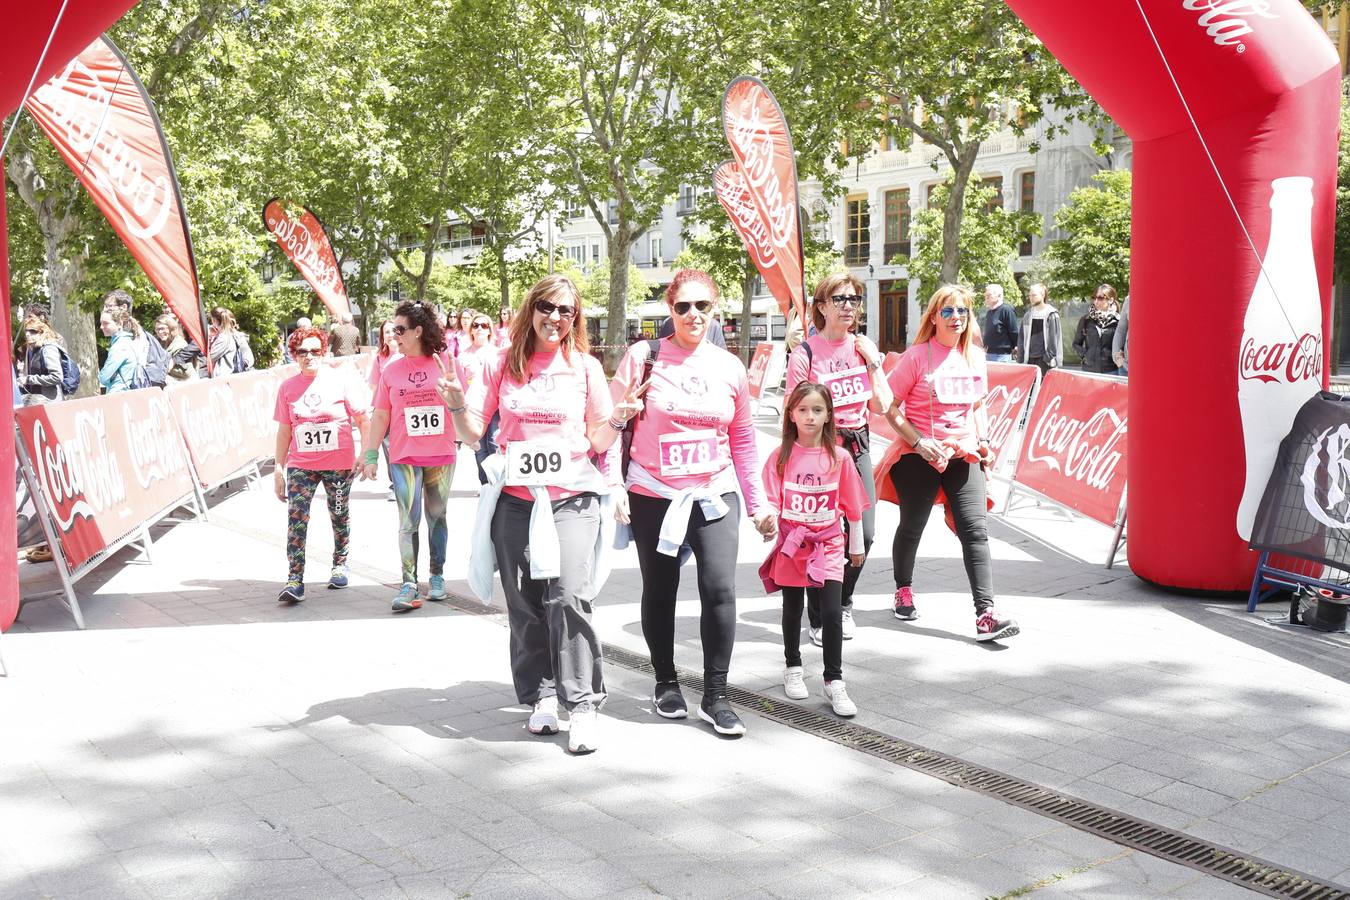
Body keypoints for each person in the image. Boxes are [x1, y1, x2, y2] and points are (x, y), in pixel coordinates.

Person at [438, 274, 635, 755]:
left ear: (576, 318)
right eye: (547, 307)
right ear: (531, 309)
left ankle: (583, 703)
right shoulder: (502, 364)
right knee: (523, 604)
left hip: (572, 498)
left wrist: (617, 420)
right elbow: (471, 432)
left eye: (567, 311)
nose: (556, 318)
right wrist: (458, 404)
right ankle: (542, 695)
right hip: (516, 499)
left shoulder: (585, 367)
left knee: (567, 597)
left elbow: (598, 441)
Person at [610, 268, 775, 737]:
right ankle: (665, 682)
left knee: (720, 589)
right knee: (659, 591)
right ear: (670, 310)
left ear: (715, 309)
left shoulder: (729, 367)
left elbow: (742, 439)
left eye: (702, 306)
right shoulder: (645, 357)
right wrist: (615, 486)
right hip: (654, 492)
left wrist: (759, 502)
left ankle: (716, 695)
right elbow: (614, 427)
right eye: (683, 306)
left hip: (714, 493)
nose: (693, 314)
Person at [880, 284, 1019, 642]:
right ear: (933, 316)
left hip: (963, 453)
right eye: (948, 311)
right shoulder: (916, 357)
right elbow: (888, 406)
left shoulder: (973, 357)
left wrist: (984, 441)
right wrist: (919, 441)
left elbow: (977, 406)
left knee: (975, 529)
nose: (956, 317)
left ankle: (985, 613)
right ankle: (903, 589)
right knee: (912, 526)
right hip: (919, 454)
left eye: (962, 311)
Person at [784, 273, 892, 647]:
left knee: (865, 533)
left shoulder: (862, 348)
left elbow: (882, 405)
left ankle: (842, 602)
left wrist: (874, 363)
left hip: (857, 446)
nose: (849, 306)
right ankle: (819, 615)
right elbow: (792, 410)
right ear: (822, 306)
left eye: (855, 300)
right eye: (840, 299)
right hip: (820, 450)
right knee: (822, 536)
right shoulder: (805, 355)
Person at [760, 382, 869, 717]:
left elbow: (853, 505)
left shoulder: (840, 457)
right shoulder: (780, 457)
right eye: (803, 409)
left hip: (830, 544)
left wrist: (856, 542)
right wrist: (768, 523)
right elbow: (769, 501)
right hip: (793, 546)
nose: (809, 416)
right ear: (791, 414)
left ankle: (834, 679)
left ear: (828, 416)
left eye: (817, 410)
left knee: (832, 613)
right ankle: (793, 665)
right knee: (792, 608)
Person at [361, 301, 455, 612]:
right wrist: (371, 454)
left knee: (437, 517)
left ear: (418, 331)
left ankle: (437, 576)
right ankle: (409, 584)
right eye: (393, 330)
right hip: (404, 457)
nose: (394, 335)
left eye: (400, 330)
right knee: (408, 521)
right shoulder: (391, 369)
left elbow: (462, 403)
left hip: (440, 455)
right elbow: (380, 415)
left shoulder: (444, 364)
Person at [273, 327, 370, 603]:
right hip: (301, 465)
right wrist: (279, 469)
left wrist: (366, 453)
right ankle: (295, 578)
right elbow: (284, 431)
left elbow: (363, 419)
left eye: (315, 351)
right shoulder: (287, 388)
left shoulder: (341, 381)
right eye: (302, 352)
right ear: (294, 355)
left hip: (338, 464)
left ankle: (340, 563)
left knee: (338, 512)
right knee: (296, 517)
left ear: (324, 352)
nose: (309, 356)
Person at [457, 312, 500, 484]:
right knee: (480, 448)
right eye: (476, 325)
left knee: (495, 444)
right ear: (471, 331)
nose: (480, 328)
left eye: (484, 325)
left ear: (490, 330)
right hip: (473, 409)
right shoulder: (463, 356)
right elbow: (460, 385)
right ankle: (485, 484)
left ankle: (499, 483)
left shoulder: (499, 354)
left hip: (495, 408)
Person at [103, 289, 168, 388]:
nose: (105, 310)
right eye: (105, 306)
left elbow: (135, 363)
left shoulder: (130, 332)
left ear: (124, 307)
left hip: (140, 385)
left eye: (109, 306)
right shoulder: (128, 330)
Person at [1073, 284, 1121, 374]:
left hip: (1111, 370)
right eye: (1094, 298)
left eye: (1100, 298)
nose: (1096, 301)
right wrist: (1085, 355)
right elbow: (1076, 344)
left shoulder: (1118, 321)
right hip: (1089, 370)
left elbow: (1122, 345)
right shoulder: (1086, 320)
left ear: (1111, 300)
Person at [18, 316, 66, 404]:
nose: (28, 334)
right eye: (26, 331)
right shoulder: (36, 349)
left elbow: (57, 377)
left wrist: (29, 379)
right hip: (39, 399)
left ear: (41, 333)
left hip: (51, 402)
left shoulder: (48, 349)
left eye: (33, 331)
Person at [1015, 284, 1061, 376]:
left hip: (1045, 362)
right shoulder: (1028, 315)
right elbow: (1021, 337)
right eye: (1030, 295)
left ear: (1043, 295)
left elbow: (1054, 340)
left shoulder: (1051, 314)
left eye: (1034, 295)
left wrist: (1047, 359)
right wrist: (1021, 357)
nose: (1031, 298)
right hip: (1029, 359)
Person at [98, 307, 138, 394]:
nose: (101, 327)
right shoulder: (129, 341)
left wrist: (109, 377)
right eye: (101, 323)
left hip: (118, 393)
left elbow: (104, 377)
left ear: (119, 324)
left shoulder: (120, 347)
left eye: (106, 323)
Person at [209, 307, 254, 375]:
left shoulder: (224, 337)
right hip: (235, 375)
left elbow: (210, 358)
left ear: (214, 320)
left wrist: (209, 338)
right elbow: (249, 357)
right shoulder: (237, 335)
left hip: (223, 377)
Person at [981, 284, 1018, 362]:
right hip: (989, 353)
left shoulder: (1007, 310)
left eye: (989, 295)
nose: (986, 298)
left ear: (999, 295)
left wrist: (1016, 346)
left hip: (1002, 355)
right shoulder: (989, 312)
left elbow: (1014, 331)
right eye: (985, 295)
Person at [154, 315, 197, 381]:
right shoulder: (160, 343)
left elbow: (187, 372)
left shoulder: (180, 344)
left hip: (185, 385)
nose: (159, 332)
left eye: (162, 328)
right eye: (157, 329)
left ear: (171, 328)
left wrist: (164, 368)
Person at [1112, 295, 1130, 376]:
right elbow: (1121, 329)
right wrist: (1116, 356)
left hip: (1156, 366)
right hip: (1126, 367)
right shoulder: (1129, 299)